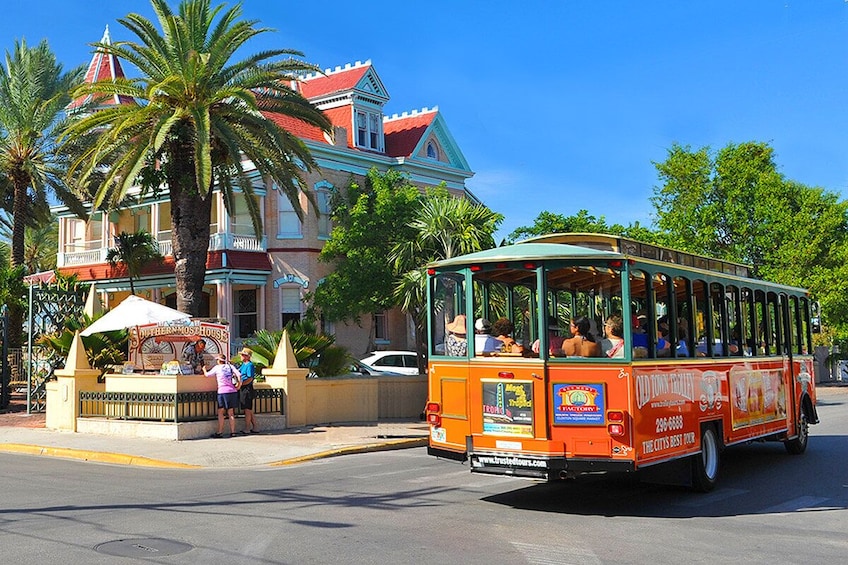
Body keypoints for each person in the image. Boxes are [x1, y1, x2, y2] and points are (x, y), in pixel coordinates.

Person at [204, 353, 241, 438]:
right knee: (231, 413)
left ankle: (220, 431)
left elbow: (207, 375)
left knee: (221, 412)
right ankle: (233, 432)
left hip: (222, 391)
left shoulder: (217, 368)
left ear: (218, 361)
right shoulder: (230, 366)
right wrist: (239, 385)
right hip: (232, 391)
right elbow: (239, 374)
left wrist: (204, 369)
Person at [238, 347, 259, 434]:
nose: (241, 356)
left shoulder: (249, 365)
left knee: (247, 409)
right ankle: (255, 427)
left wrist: (241, 384)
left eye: (243, 355)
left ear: (247, 356)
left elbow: (250, 378)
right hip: (243, 388)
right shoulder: (243, 365)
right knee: (249, 409)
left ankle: (247, 428)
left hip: (247, 388)